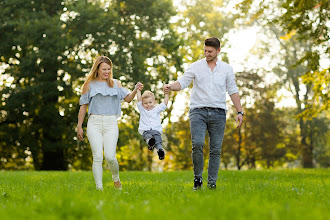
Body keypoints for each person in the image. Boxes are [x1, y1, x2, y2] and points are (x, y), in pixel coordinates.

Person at [164, 37, 243, 190]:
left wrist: (240, 111)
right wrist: (170, 86)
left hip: (219, 113)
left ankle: (212, 183)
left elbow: (233, 90)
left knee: (215, 150)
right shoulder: (195, 67)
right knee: (198, 144)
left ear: (218, 51)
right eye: (205, 51)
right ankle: (198, 179)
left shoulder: (226, 69)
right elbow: (182, 82)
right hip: (198, 112)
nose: (207, 54)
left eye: (210, 52)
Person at [77, 56, 143, 191]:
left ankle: (116, 178)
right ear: (97, 69)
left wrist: (136, 89)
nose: (107, 72)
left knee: (110, 157)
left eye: (109, 69)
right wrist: (79, 126)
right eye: (104, 69)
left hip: (110, 123)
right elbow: (83, 106)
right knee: (97, 157)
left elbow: (128, 99)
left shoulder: (116, 84)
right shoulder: (89, 85)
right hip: (94, 123)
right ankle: (99, 189)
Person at [136, 86, 169, 160]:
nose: (148, 105)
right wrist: (138, 90)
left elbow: (165, 103)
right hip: (146, 130)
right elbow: (138, 100)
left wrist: (166, 94)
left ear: (154, 102)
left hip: (156, 131)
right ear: (142, 104)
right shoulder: (142, 110)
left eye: (150, 102)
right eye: (145, 103)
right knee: (147, 136)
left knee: (158, 141)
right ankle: (150, 141)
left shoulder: (157, 109)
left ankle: (160, 151)